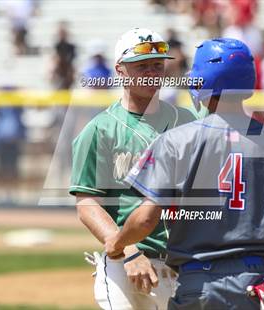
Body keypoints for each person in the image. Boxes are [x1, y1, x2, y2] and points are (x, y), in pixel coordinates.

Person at [105, 38, 264, 309]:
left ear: (200, 82)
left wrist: (118, 243)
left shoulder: (175, 141)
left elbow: (146, 220)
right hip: (259, 283)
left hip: (200, 285)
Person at [69, 28, 195, 310]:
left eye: (157, 65)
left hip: (185, 261)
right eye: (142, 66)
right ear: (120, 70)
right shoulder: (99, 130)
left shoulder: (187, 121)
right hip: (129, 262)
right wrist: (127, 248)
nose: (152, 72)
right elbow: (87, 203)